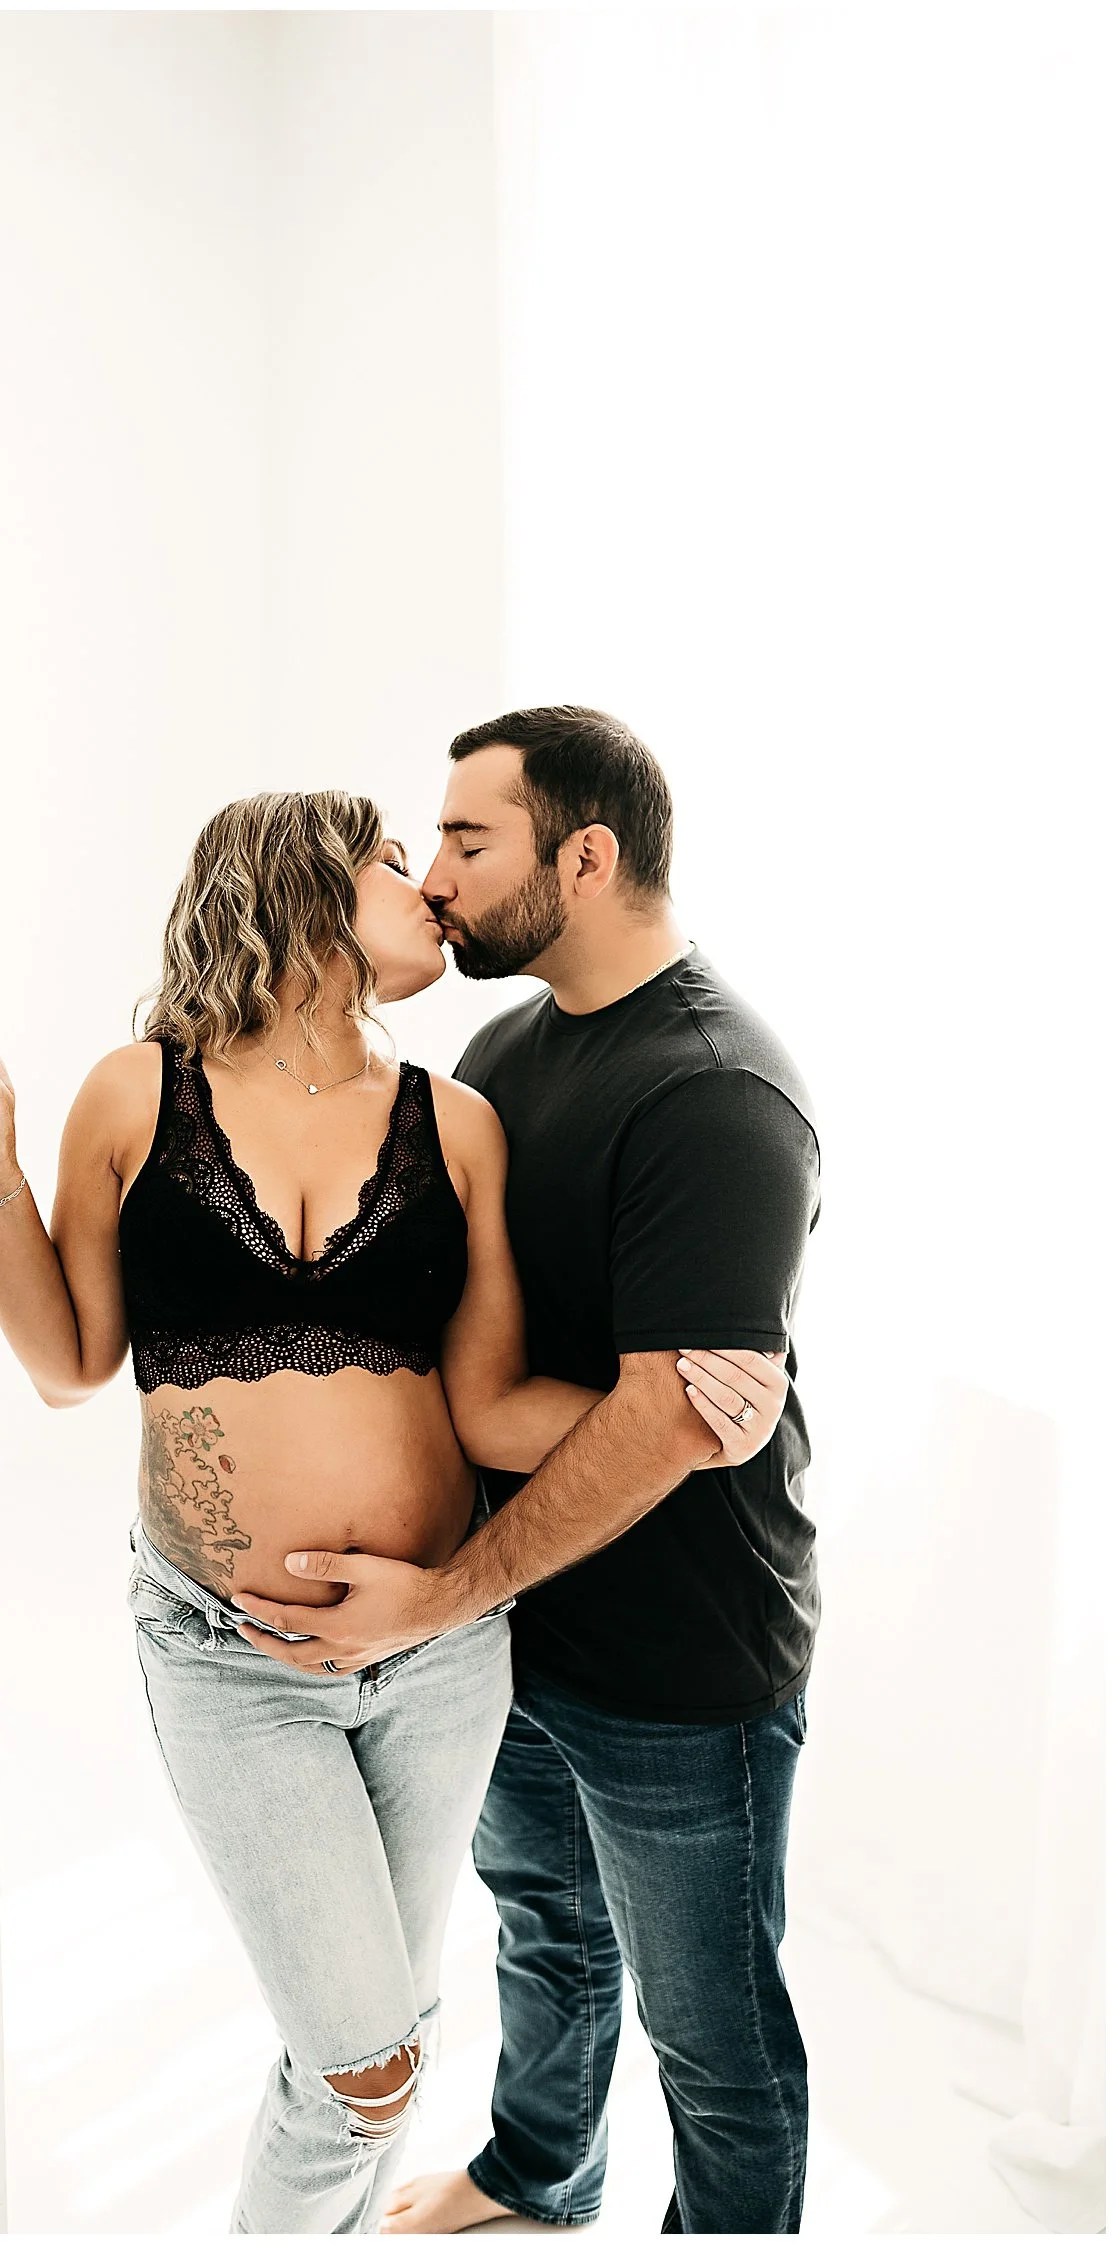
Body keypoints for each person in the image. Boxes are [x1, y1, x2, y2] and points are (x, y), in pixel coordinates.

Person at [0, 785, 789, 2234]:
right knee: (364, 2066)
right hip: (233, 1657)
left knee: (384, 2045)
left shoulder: (457, 1121)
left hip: (439, 1658)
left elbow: (489, 1407)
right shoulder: (133, 1093)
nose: (433, 893)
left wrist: (688, 1412)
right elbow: (68, 1367)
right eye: (396, 863)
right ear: (300, 884)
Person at [229, 711, 822, 2236]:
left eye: (467, 840)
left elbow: (668, 1421)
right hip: (515, 1633)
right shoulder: (504, 1053)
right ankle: (538, 2176)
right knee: (549, 1936)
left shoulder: (716, 1093)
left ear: (588, 856)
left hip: (680, 1657)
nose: (435, 876)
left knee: (716, 2043)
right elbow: (467, 1356)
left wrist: (441, 1594)